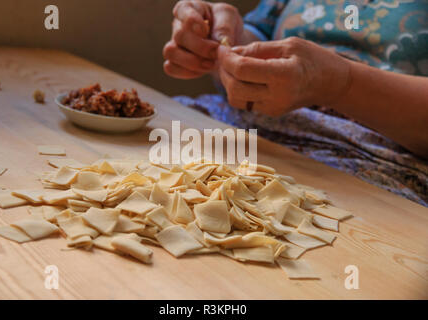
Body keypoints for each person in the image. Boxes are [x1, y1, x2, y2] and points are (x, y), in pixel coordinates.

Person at [162, 0, 428, 206]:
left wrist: (340, 84)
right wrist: (220, 41)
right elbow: (263, 38)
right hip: (250, 127)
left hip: (377, 158)